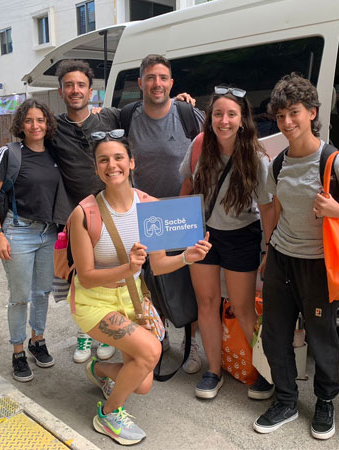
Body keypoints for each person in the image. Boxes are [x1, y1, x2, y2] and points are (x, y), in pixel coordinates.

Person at [0, 59, 195, 365]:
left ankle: (121, 334)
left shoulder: (112, 115)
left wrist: (178, 100)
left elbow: (151, 108)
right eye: (69, 86)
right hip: (81, 218)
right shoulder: (55, 128)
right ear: (61, 91)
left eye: (81, 85)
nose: (75, 90)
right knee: (82, 279)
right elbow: (30, 140)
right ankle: (86, 336)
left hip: (119, 210)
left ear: (91, 90)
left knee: (127, 273)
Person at [69, 132, 211, 445]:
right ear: (96, 169)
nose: (112, 165)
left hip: (132, 299)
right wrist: (128, 268)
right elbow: (87, 277)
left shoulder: (150, 207)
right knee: (151, 351)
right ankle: (107, 414)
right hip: (93, 300)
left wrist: (187, 257)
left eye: (118, 158)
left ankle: (102, 369)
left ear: (131, 163)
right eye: (103, 160)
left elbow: (158, 266)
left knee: (143, 383)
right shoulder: (84, 213)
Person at [253, 74, 339, 440]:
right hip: (282, 257)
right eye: (282, 115)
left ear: (312, 113)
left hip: (320, 264)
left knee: (321, 337)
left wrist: (335, 209)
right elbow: (273, 209)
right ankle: (286, 400)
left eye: (295, 113)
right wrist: (267, 251)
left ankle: (325, 401)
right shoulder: (279, 162)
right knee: (275, 334)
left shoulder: (334, 160)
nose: (287, 122)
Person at [179, 86, 275, 399]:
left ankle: (266, 372)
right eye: (218, 114)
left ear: (242, 120)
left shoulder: (256, 158)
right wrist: (182, 232)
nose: (224, 120)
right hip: (202, 233)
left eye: (231, 114)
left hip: (241, 236)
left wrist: (269, 248)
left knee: (243, 308)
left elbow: (268, 206)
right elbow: (187, 186)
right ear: (210, 118)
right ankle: (213, 371)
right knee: (206, 303)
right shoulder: (199, 146)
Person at [124, 54, 205, 374]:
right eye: (150, 78)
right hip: (145, 213)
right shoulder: (127, 115)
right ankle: (159, 335)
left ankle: (193, 342)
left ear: (171, 84)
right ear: (141, 82)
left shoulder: (188, 114)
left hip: (184, 210)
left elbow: (211, 148)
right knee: (152, 280)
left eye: (163, 78)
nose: (157, 84)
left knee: (190, 280)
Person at [0, 99, 60, 382]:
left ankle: (37, 340)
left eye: (40, 120)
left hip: (48, 232)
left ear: (47, 123)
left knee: (42, 293)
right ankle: (17, 352)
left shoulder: (54, 152)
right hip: (18, 231)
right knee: (19, 297)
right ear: (21, 125)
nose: (35, 125)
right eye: (29, 120)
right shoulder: (10, 153)